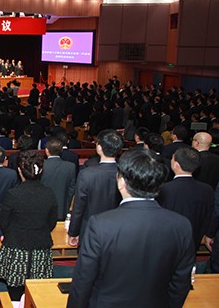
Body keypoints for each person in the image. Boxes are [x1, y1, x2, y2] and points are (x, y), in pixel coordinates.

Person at [67, 148, 194, 308]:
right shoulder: (182, 225)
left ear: (121, 182)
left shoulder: (100, 225)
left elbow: (84, 280)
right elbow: (181, 282)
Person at [0, 150, 57, 301]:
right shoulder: (49, 193)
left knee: (15, 291)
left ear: (20, 171)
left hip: (16, 246)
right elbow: (52, 222)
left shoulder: (13, 194)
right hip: (40, 246)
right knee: (38, 292)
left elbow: (4, 222)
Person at [68, 129, 123, 246]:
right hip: (118, 229)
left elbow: (79, 207)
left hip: (90, 228)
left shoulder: (87, 174)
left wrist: (73, 232)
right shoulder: (125, 173)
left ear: (99, 147)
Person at [157, 147, 214, 254]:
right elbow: (208, 217)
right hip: (194, 242)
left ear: (176, 164)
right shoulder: (207, 190)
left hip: (166, 245)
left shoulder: (164, 189)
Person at [41, 137, 76, 221]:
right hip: (62, 207)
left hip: (43, 208)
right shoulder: (70, 167)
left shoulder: (41, 165)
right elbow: (71, 190)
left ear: (46, 150)